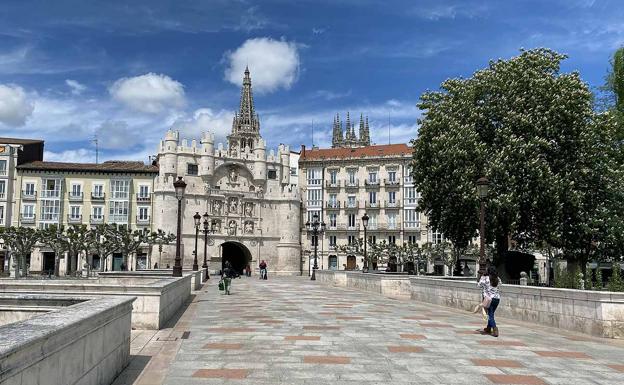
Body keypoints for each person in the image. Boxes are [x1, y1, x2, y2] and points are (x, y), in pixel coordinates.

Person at [478, 267, 501, 337]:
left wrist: (482, 277)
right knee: (491, 313)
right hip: (497, 299)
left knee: (490, 315)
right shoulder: (498, 278)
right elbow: (500, 285)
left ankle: (495, 328)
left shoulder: (485, 278)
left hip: (488, 299)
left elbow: (479, 285)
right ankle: (488, 328)